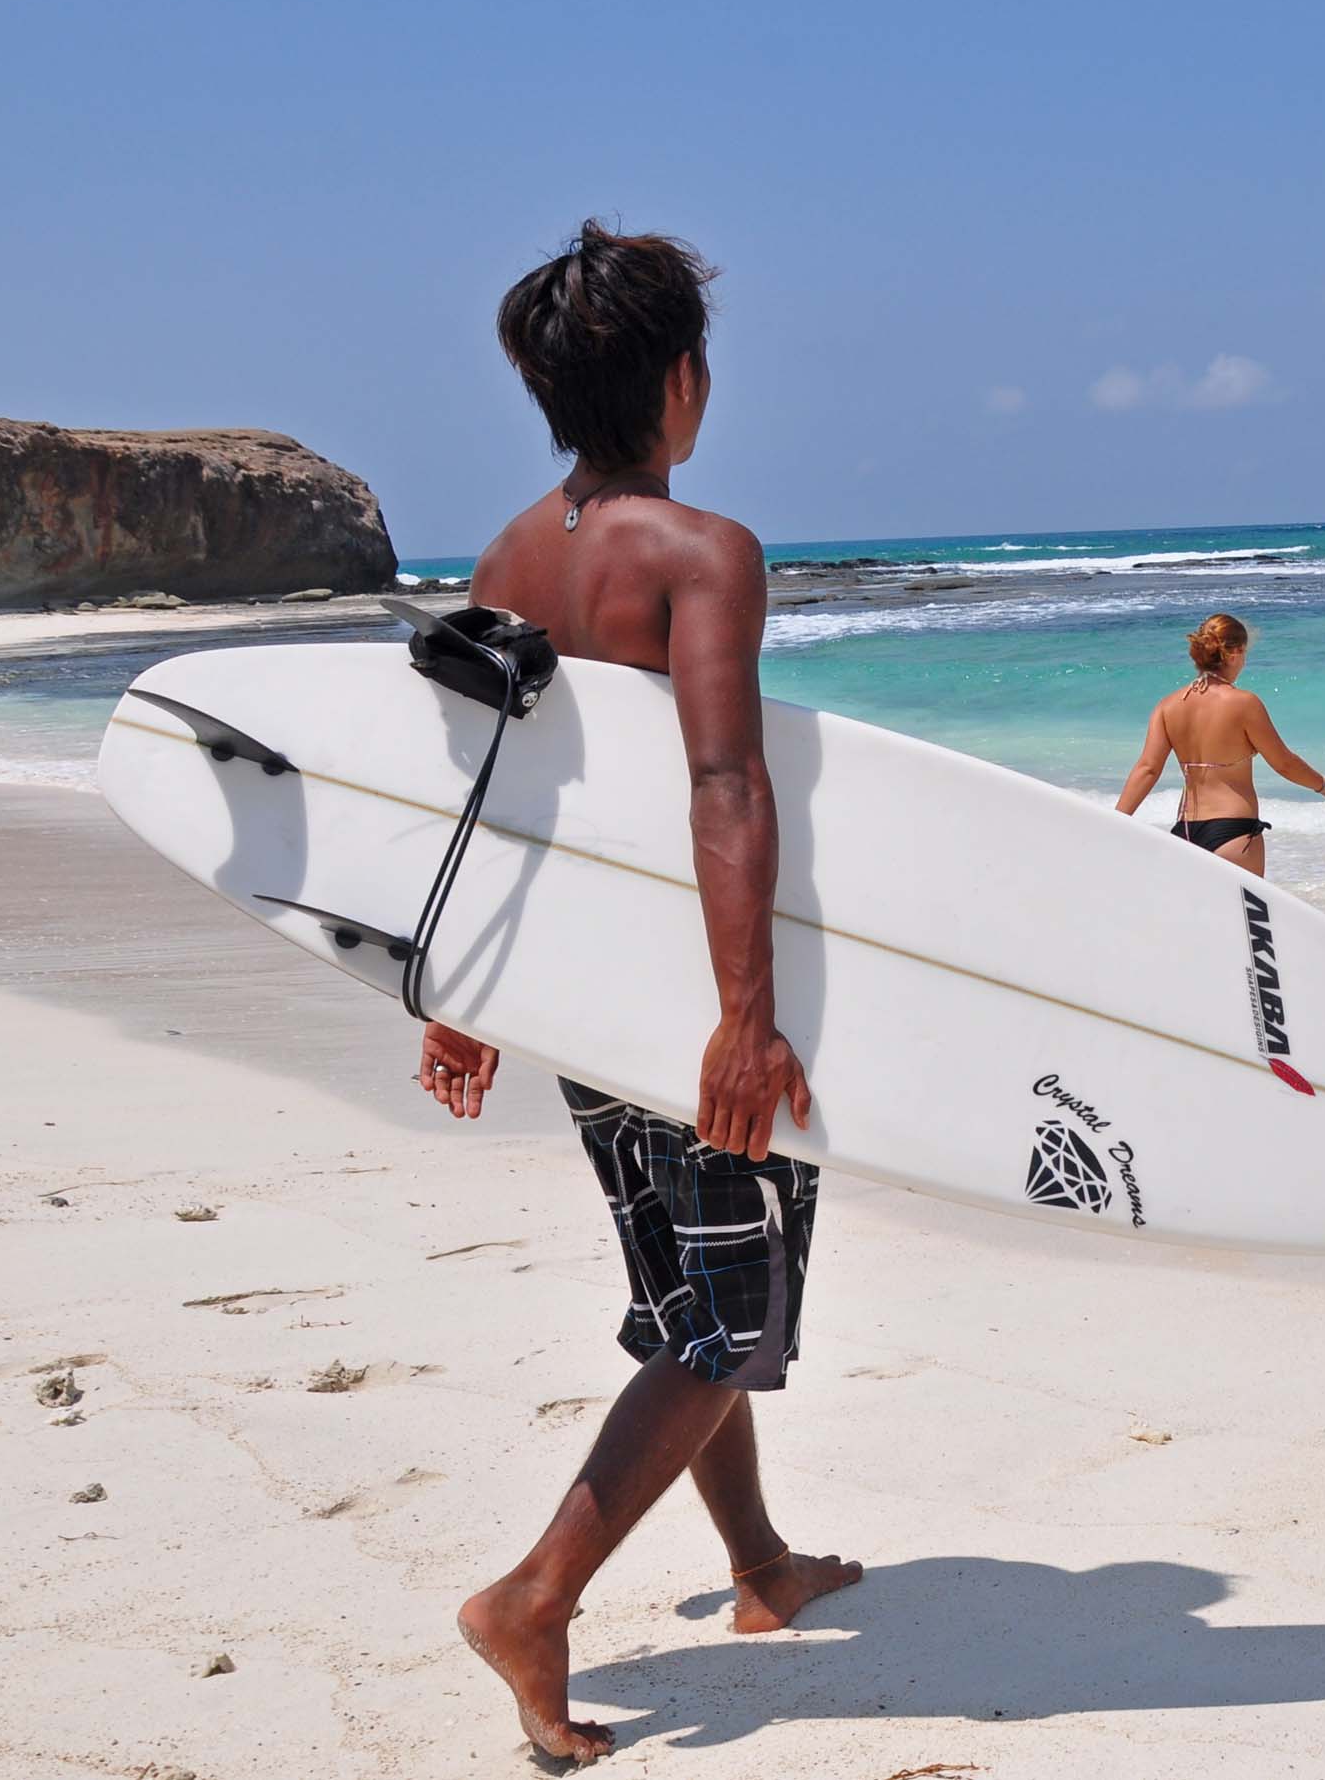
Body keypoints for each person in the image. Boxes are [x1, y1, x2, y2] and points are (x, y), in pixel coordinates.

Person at [413, 220, 856, 1764]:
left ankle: (759, 1563)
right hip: (690, 998)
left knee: (693, 1294)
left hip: (587, 1004)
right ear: (686, 381)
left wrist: (457, 988)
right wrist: (746, 1014)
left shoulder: (508, 563)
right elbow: (724, 777)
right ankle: (535, 1596)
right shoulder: (700, 552)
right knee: (732, 1315)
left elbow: (481, 797)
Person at [1115, 611, 1325, 876]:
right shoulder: (1244, 703)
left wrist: (1115, 821)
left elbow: (1148, 769)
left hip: (1185, 834)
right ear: (1233, 653)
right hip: (1233, 833)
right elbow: (1284, 763)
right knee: (1239, 919)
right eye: (1245, 652)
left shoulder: (1167, 706)